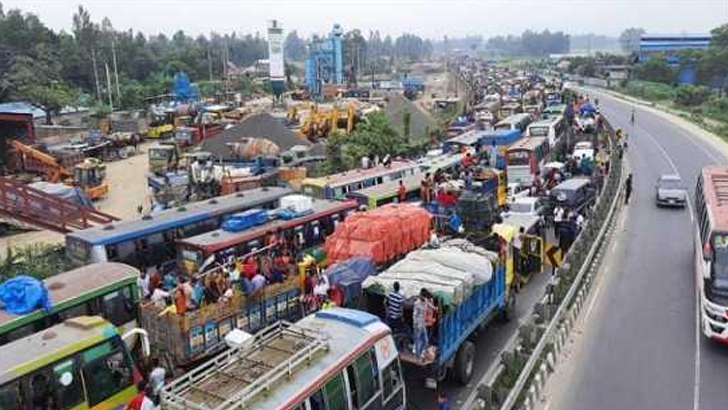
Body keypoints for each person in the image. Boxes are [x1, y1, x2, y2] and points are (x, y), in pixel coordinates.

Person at [413, 288, 433, 361]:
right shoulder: (417, 304)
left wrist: (435, 308)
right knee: (419, 341)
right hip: (418, 325)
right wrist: (416, 324)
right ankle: (419, 356)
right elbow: (414, 315)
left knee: (425, 340)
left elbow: (429, 305)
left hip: (422, 324)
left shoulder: (425, 301)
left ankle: (423, 353)